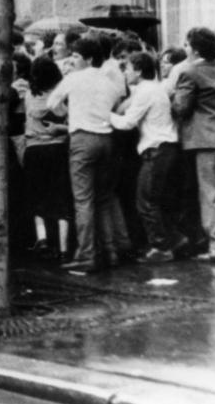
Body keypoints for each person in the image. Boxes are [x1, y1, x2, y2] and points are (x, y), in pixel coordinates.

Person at [47, 37, 131, 273]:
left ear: (89, 59)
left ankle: (87, 254)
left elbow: (52, 104)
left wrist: (69, 114)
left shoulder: (72, 79)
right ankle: (111, 250)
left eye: (76, 56)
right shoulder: (110, 82)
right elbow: (116, 104)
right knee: (104, 198)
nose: (72, 60)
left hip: (82, 139)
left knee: (83, 200)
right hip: (106, 138)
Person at [110, 51, 182, 262]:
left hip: (156, 149)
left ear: (139, 71)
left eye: (129, 68)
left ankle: (161, 247)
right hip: (165, 148)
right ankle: (175, 239)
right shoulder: (152, 89)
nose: (125, 73)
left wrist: (103, 114)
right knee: (155, 199)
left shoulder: (145, 92)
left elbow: (127, 123)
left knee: (145, 201)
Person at [172, 27, 215, 263]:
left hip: (206, 139)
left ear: (194, 49)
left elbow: (181, 107)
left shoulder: (190, 71)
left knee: (211, 193)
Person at [23, 57, 72, 261]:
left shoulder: (28, 95)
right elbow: (68, 118)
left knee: (37, 196)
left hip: (34, 149)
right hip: (58, 148)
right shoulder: (61, 98)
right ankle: (63, 248)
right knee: (61, 196)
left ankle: (42, 239)